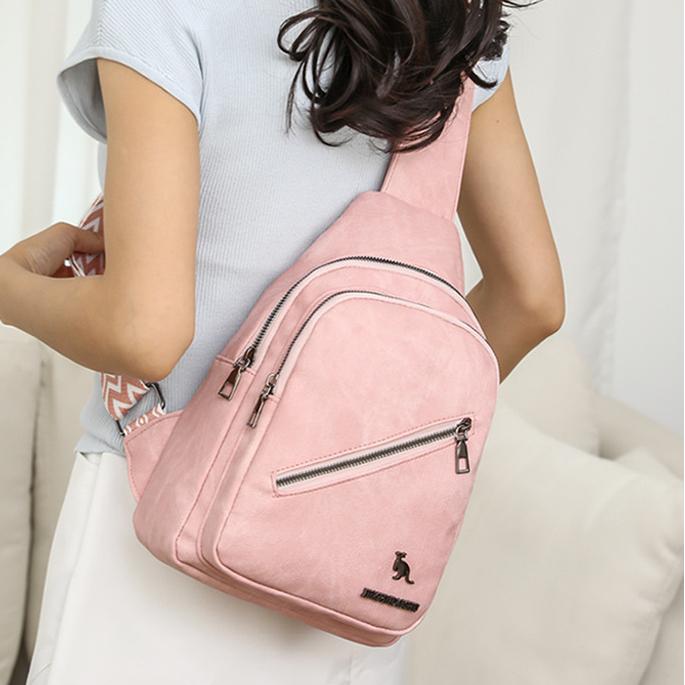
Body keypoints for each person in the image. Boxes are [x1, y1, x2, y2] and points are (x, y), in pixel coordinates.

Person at [0, 1, 564, 683]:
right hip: (351, 560)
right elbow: (531, 299)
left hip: (154, 528)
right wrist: (352, 447)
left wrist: (9, 288)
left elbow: (143, 329)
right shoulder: (451, 26)